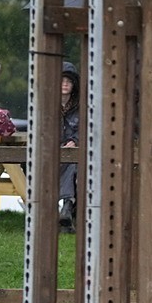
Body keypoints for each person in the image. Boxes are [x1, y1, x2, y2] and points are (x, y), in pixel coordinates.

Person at [59, 62, 80, 233]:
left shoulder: (82, 107)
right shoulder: (47, 105)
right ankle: (67, 206)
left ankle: (67, 207)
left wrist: (75, 140)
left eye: (69, 81)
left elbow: (87, 128)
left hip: (74, 152)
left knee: (74, 163)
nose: (65, 84)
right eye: (62, 80)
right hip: (52, 152)